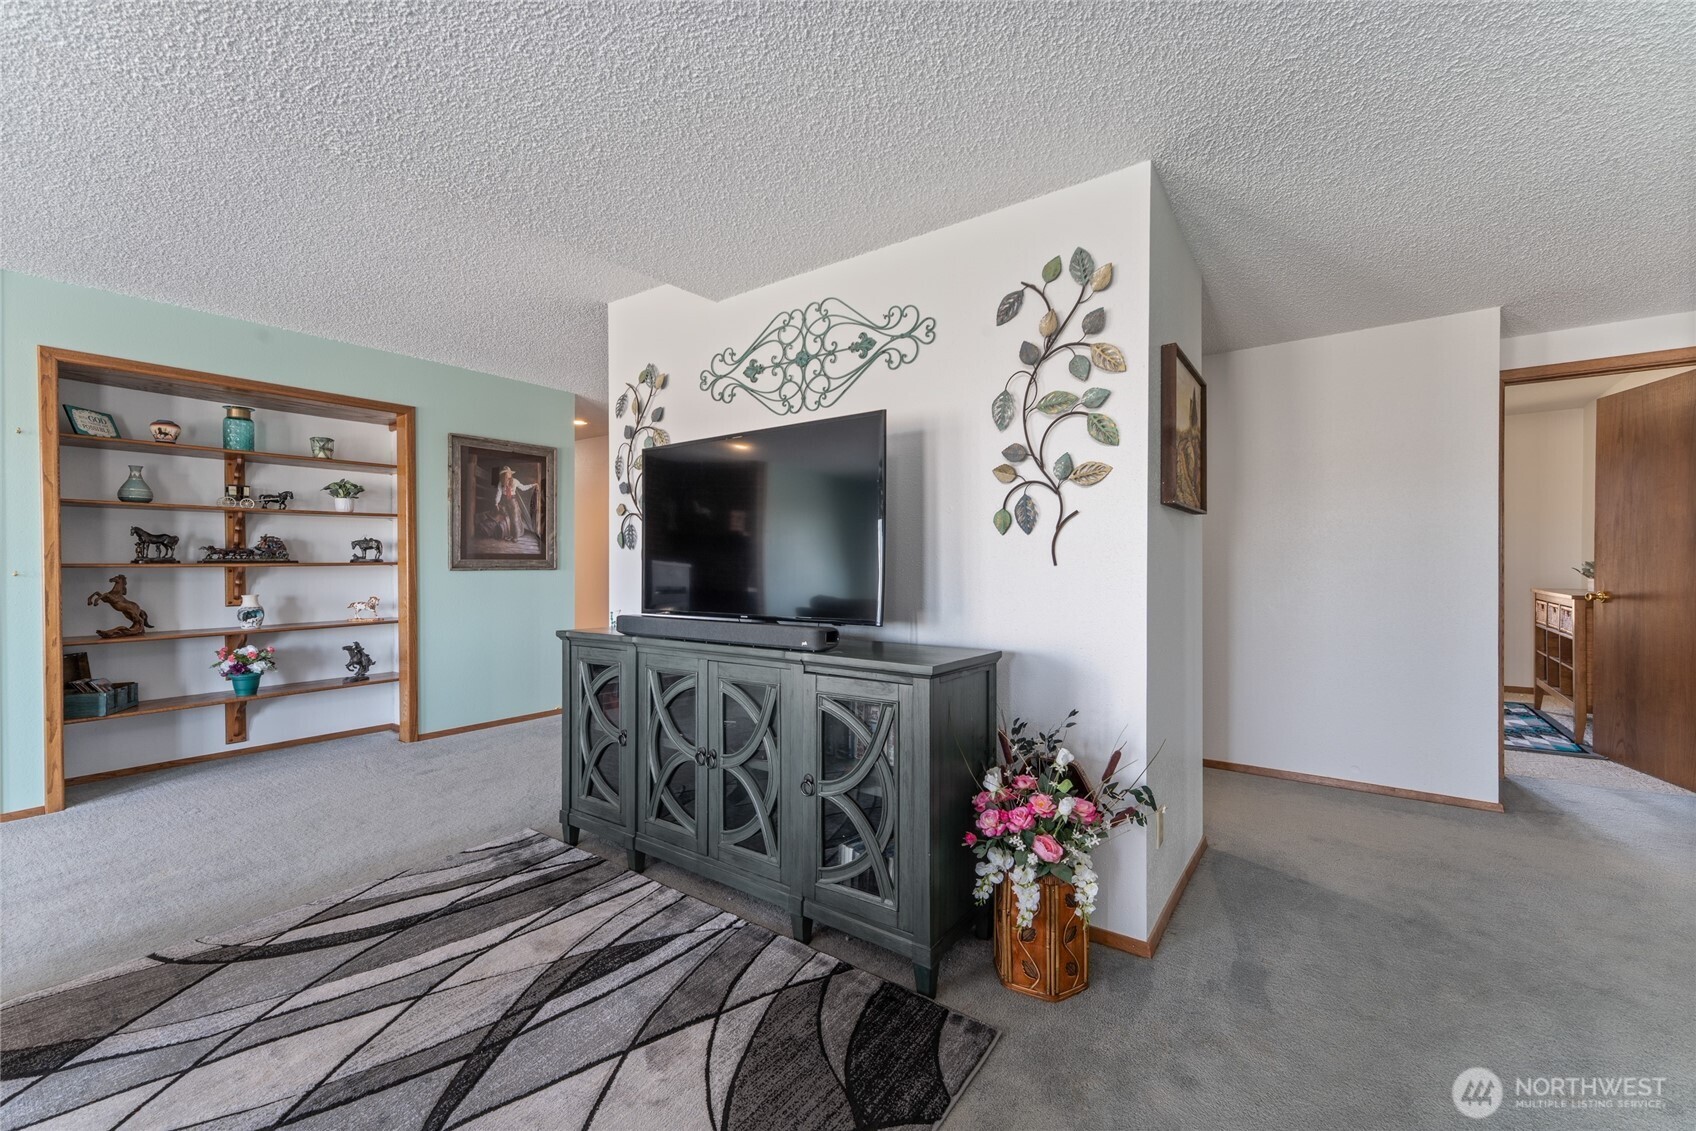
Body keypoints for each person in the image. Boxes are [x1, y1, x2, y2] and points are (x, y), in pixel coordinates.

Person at [494, 465, 540, 543]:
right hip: (504, 501)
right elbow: (499, 493)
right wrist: (496, 503)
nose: (508, 474)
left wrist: (533, 485)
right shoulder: (501, 482)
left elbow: (523, 487)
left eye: (509, 473)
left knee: (514, 519)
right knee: (507, 518)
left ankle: (515, 537)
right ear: (504, 474)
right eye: (506, 473)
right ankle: (509, 535)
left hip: (513, 501)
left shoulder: (515, 481)